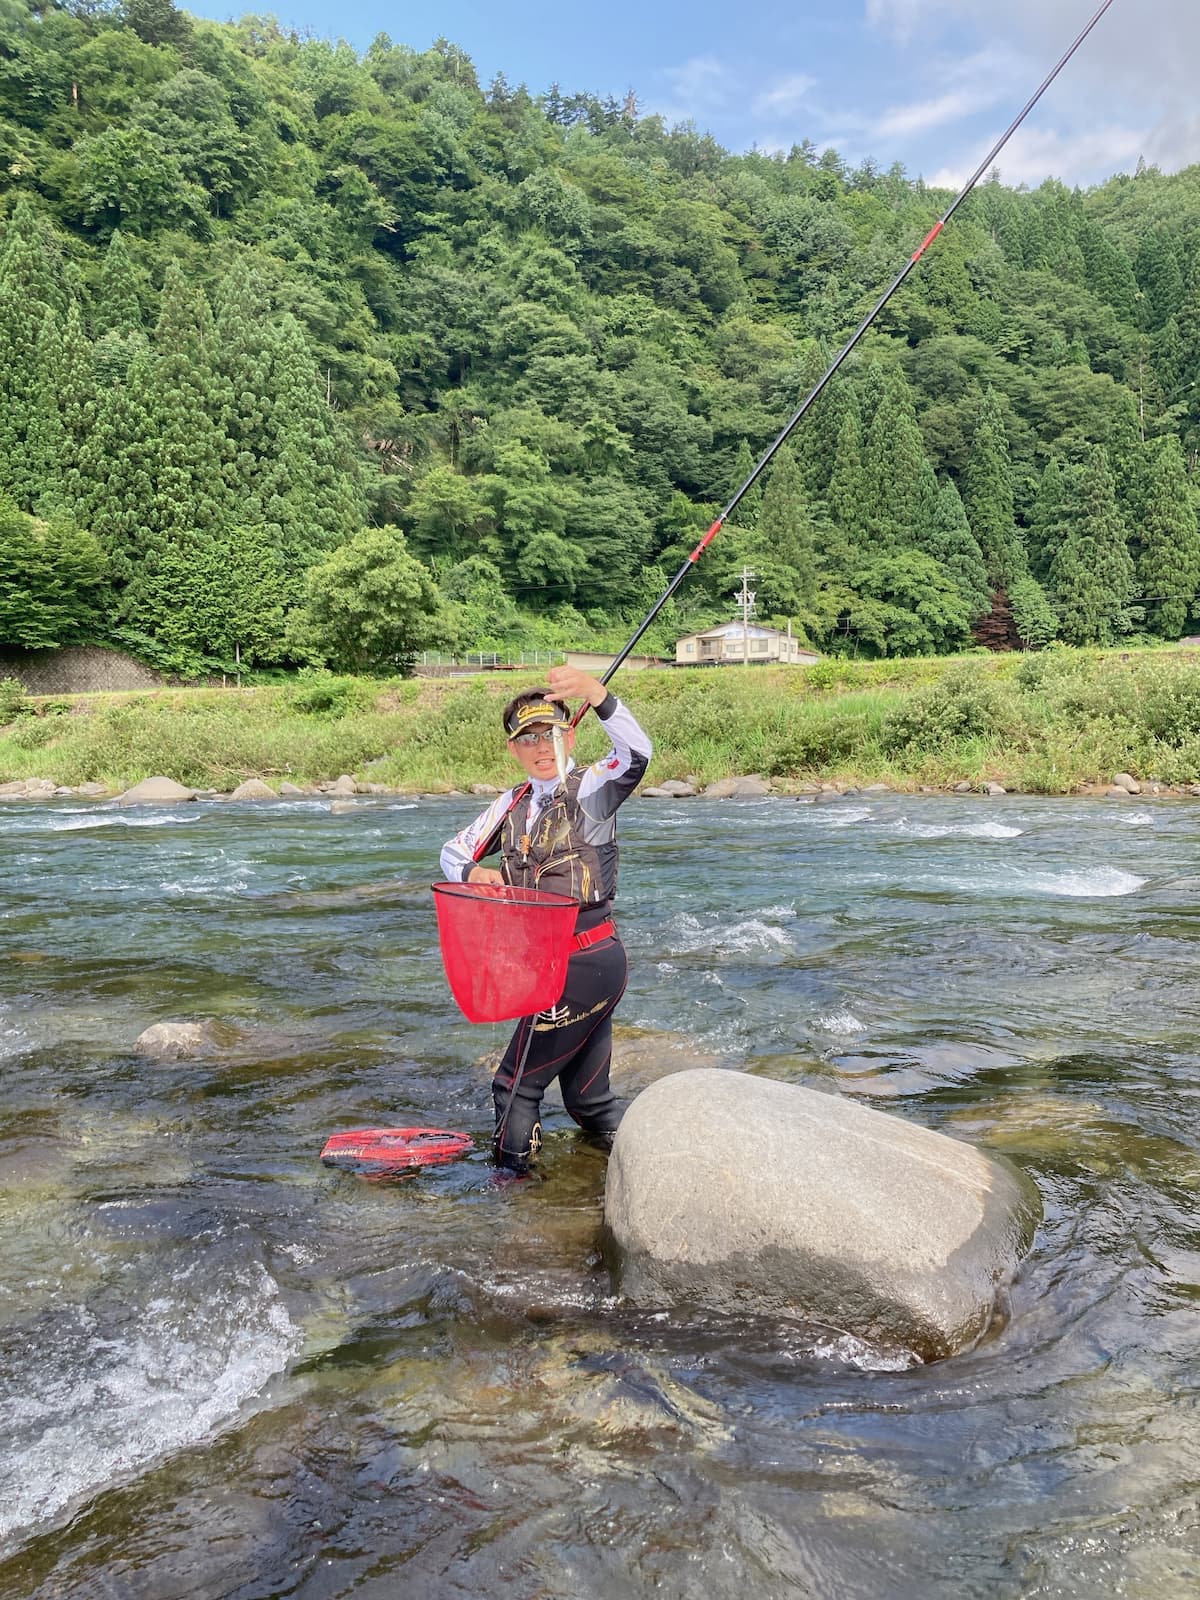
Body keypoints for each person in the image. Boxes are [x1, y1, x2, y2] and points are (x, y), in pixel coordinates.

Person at [440, 666, 652, 1174]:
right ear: (513, 748)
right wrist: (474, 870)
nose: (540, 746)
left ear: (569, 734)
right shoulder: (511, 802)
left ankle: (517, 1204)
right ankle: (653, 1153)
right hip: (545, 967)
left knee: (514, 1087)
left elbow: (637, 755)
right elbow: (452, 852)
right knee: (588, 1102)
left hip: (584, 961)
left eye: (550, 734)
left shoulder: (592, 789)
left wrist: (597, 695)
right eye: (528, 738)